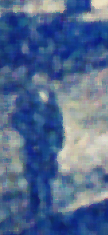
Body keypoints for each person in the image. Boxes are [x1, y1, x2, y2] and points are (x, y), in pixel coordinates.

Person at [11, 69, 62, 223]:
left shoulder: (49, 100)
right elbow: (15, 120)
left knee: (45, 175)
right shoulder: (23, 101)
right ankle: (35, 207)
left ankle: (48, 206)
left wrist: (56, 142)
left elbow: (57, 121)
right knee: (33, 176)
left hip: (45, 144)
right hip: (33, 145)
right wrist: (29, 134)